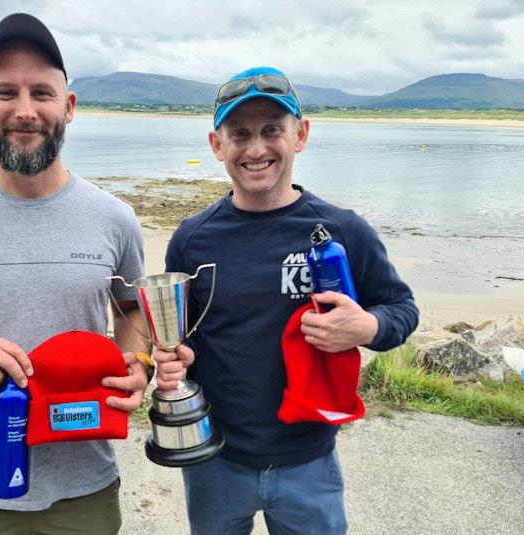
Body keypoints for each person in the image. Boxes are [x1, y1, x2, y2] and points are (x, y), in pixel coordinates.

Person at [0, 13, 189, 535]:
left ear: (67, 106)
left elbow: (131, 309)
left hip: (84, 486)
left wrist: (136, 362)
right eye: (5, 93)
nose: (25, 111)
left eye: (41, 92)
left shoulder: (114, 218)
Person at [165, 66, 419, 535]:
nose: (256, 148)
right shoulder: (191, 239)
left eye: (272, 131)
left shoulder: (343, 230)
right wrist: (169, 359)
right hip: (214, 458)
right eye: (239, 133)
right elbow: (179, 339)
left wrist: (367, 328)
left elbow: (402, 310)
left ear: (300, 135)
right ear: (216, 145)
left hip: (309, 461)